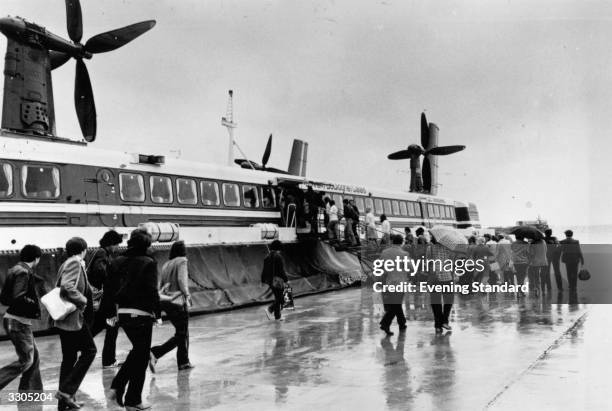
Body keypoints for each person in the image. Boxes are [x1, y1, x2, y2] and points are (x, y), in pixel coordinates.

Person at [105, 229, 160, 410]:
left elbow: (109, 290)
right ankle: (132, 399)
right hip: (142, 314)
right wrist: (157, 314)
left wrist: (111, 314)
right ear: (146, 245)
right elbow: (152, 291)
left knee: (138, 352)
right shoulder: (148, 263)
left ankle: (119, 388)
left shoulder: (116, 262)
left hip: (123, 313)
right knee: (141, 356)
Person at [53, 237, 96, 410]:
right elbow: (67, 287)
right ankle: (65, 391)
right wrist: (84, 300)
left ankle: (64, 403)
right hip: (72, 318)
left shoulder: (66, 263)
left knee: (69, 358)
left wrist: (92, 293)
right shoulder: (75, 263)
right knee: (90, 351)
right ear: (83, 250)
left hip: (65, 319)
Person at [0, 245, 44, 392]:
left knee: (34, 357)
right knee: (27, 360)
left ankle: (30, 393)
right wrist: (33, 303)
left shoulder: (14, 269)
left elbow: (5, 299)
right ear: (36, 258)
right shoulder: (23, 272)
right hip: (18, 322)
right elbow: (18, 296)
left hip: (15, 320)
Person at [150, 241, 194, 372]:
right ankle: (156, 352)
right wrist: (187, 295)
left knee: (182, 332)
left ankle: (184, 362)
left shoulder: (166, 264)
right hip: (178, 301)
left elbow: (161, 285)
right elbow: (181, 280)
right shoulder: (182, 261)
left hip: (166, 302)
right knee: (182, 334)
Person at [88, 230, 123, 368]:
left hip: (102, 300)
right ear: (110, 244)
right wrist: (112, 276)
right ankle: (108, 360)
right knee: (112, 327)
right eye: (116, 245)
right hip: (105, 298)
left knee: (100, 324)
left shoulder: (98, 252)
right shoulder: (102, 253)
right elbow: (99, 270)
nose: (117, 248)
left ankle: (79, 344)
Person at [379, 234, 410, 336]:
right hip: (400, 282)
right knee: (396, 305)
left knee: (395, 305)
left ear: (393, 242)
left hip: (388, 282)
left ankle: (402, 323)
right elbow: (411, 267)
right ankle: (385, 323)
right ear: (401, 243)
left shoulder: (384, 252)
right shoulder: (404, 254)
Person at [428, 234, 457, 333]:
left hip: (434, 278)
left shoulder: (429, 248)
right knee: (448, 300)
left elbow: (428, 262)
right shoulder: (449, 249)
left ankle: (438, 326)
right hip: (447, 278)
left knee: (436, 302)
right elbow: (452, 263)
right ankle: (445, 321)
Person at [261, 240, 288, 321]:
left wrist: (263, 280)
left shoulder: (267, 257)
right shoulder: (278, 257)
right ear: (278, 248)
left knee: (278, 297)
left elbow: (264, 270)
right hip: (278, 280)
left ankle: (277, 317)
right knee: (282, 298)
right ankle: (269, 309)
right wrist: (286, 280)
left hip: (270, 281)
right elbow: (281, 270)